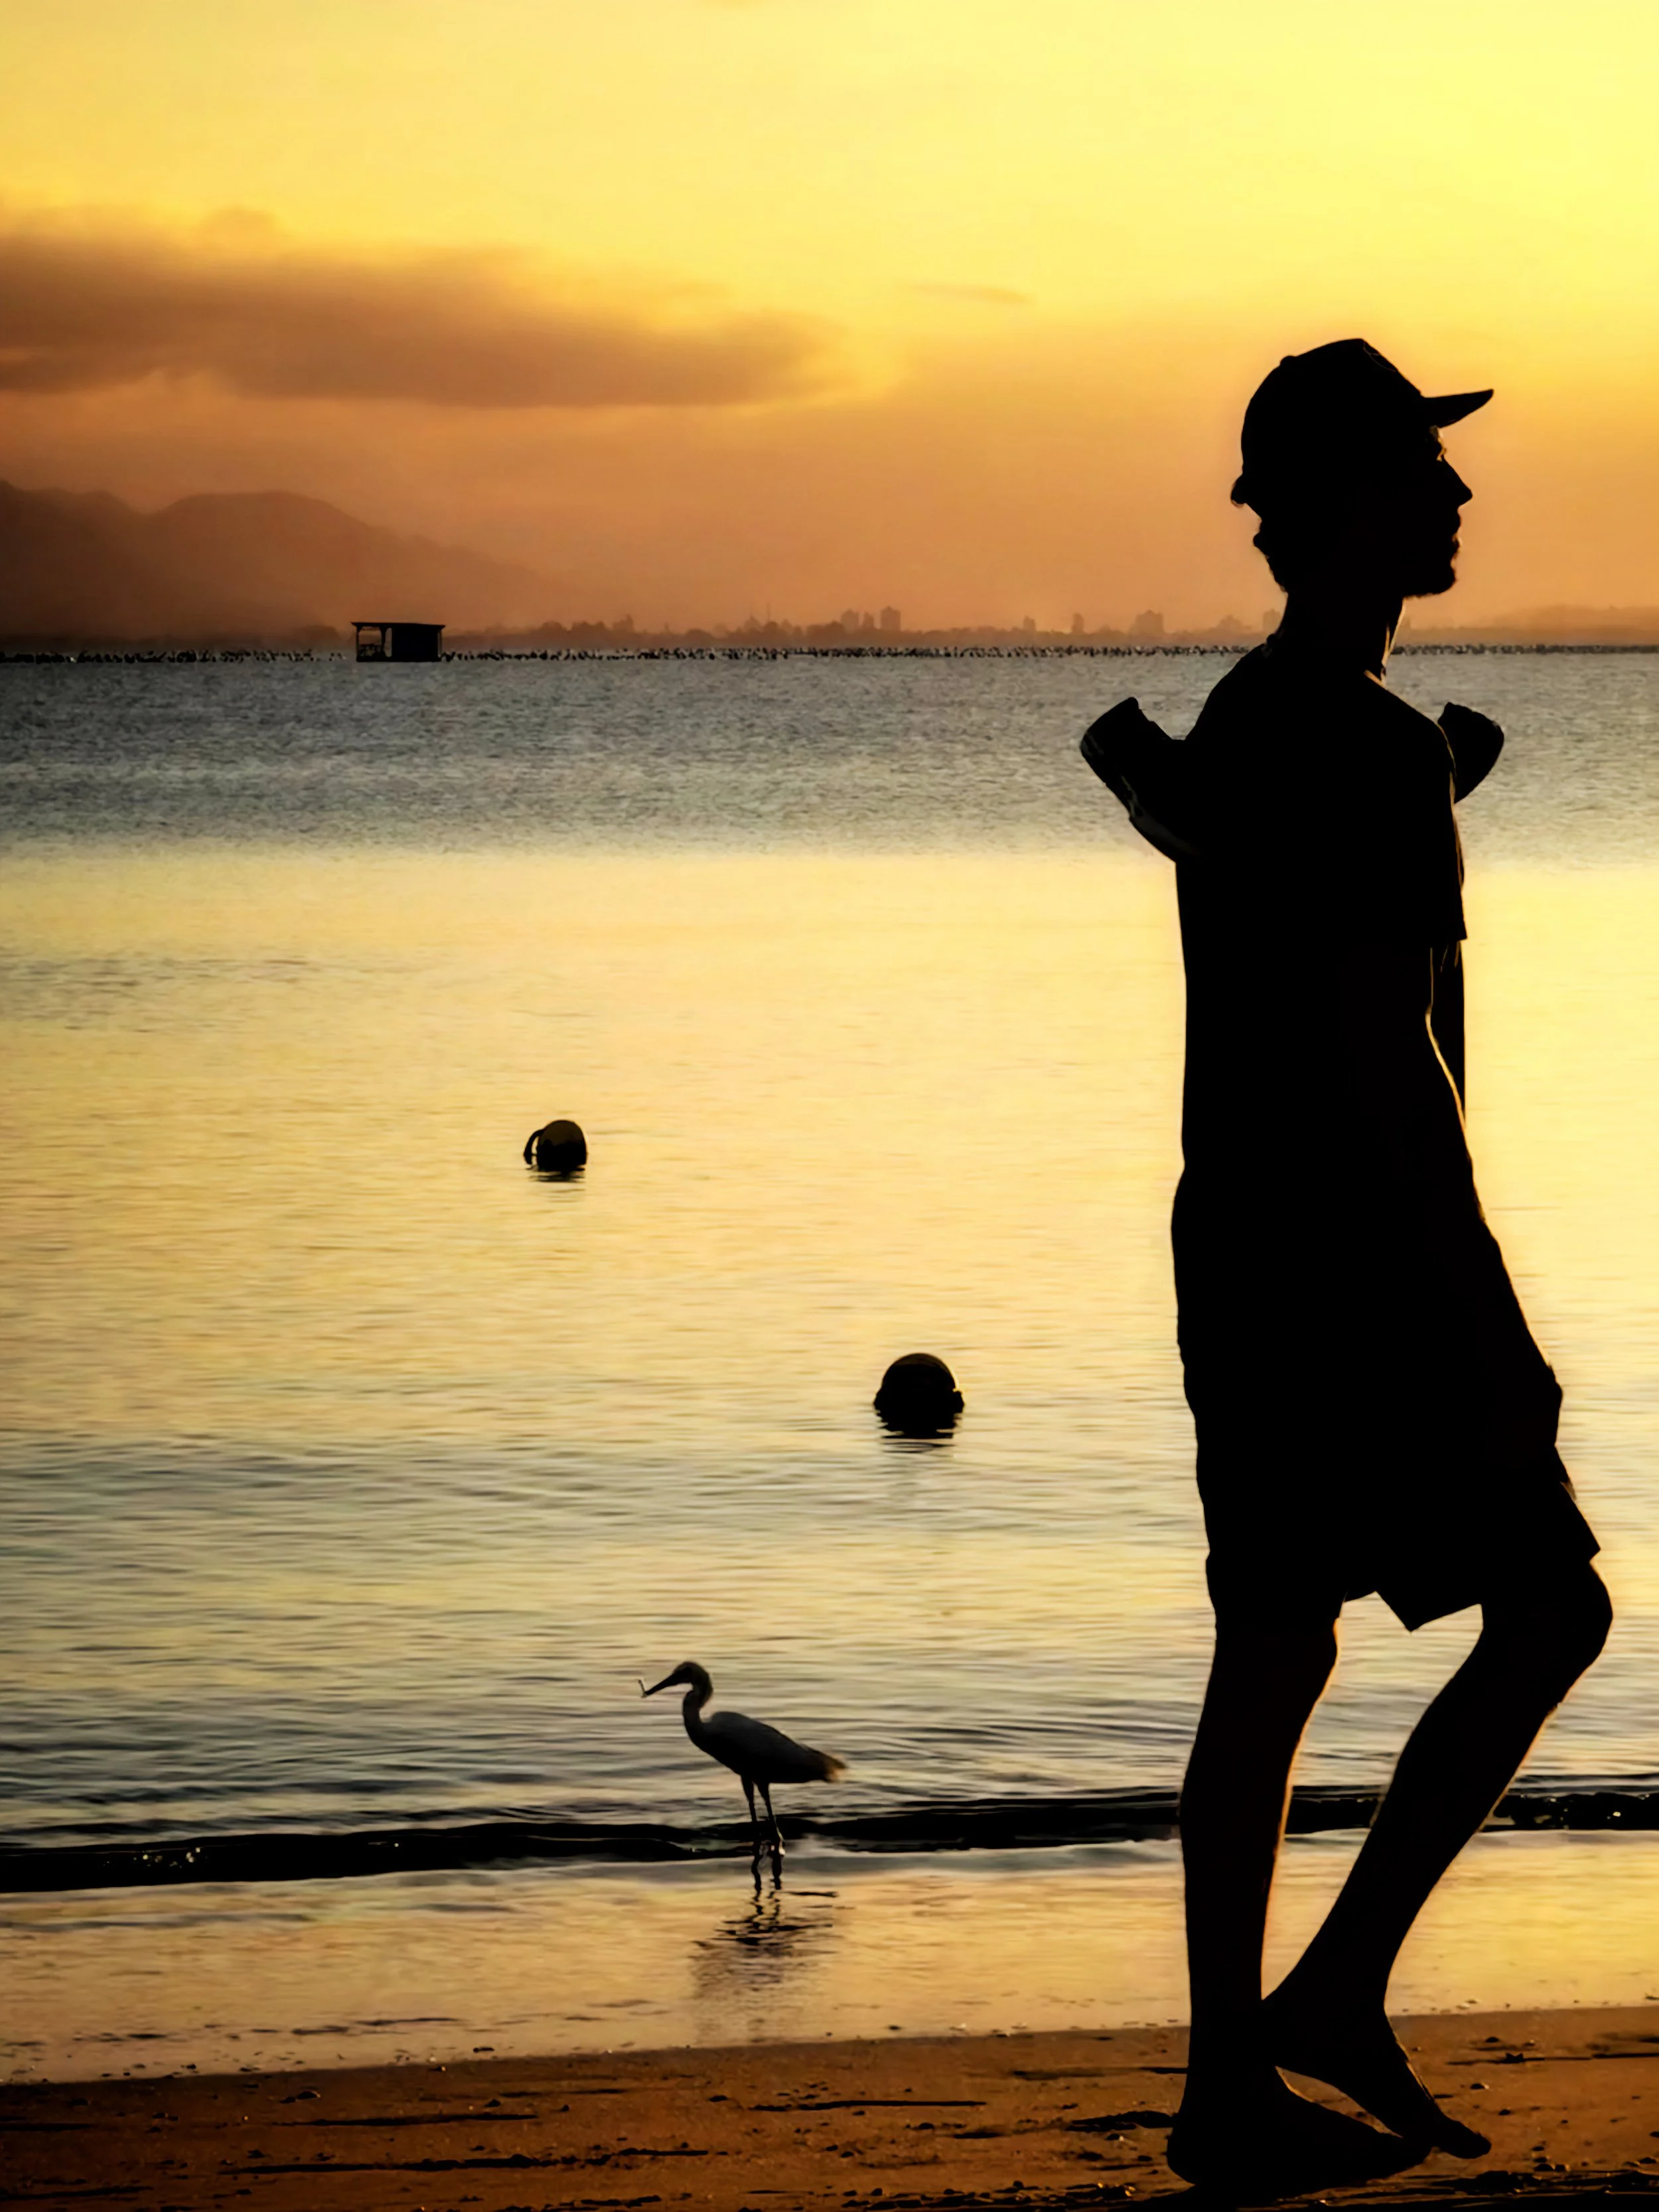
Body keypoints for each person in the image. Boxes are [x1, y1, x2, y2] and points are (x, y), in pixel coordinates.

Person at [1082, 339, 1610, 2195]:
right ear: (1341, 505)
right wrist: (1488, 1314)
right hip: (1360, 1259)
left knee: (1270, 1647)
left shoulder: (1246, 722)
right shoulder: (1370, 749)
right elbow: (1395, 1057)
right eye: (1421, 469)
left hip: (1236, 1244)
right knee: (1550, 1606)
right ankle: (1322, 1998)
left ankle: (1241, 2064)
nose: (1458, 496)